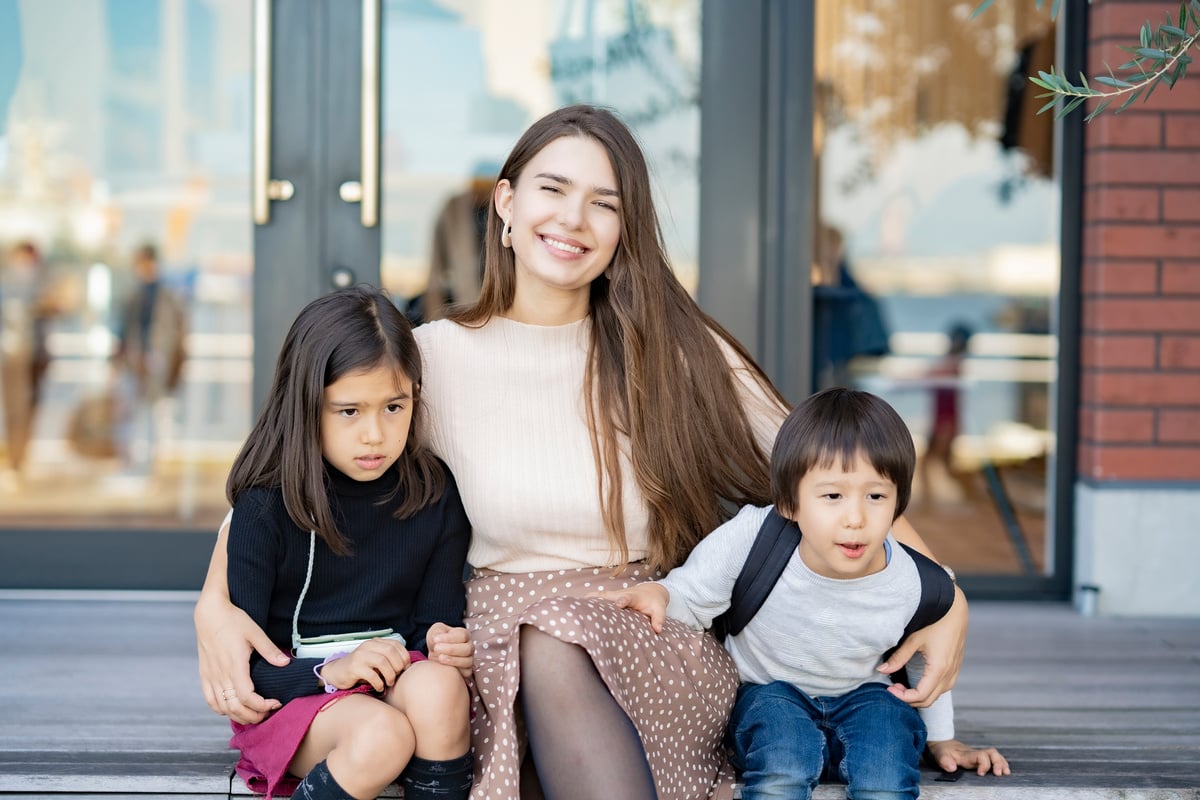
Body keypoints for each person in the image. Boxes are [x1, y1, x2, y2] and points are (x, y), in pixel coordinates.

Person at [195, 105, 970, 800]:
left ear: (626, 229)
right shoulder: (430, 361)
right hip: (488, 648)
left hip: (644, 637)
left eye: (605, 203)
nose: (575, 219)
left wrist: (946, 596)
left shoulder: (678, 352)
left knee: (553, 634)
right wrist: (212, 608)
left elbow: (836, 470)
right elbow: (293, 475)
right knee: (535, 641)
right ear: (506, 202)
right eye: (553, 190)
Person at [599, 387, 1009, 799]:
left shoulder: (914, 581)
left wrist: (942, 739)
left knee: (888, 757)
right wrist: (661, 595)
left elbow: (929, 663)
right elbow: (693, 594)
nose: (855, 518)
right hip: (772, 696)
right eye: (832, 496)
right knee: (784, 764)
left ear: (898, 504)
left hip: (866, 700)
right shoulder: (754, 537)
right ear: (790, 503)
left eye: (876, 496)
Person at [222, 286, 474, 800]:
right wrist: (332, 671)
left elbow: (430, 631)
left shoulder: (433, 493)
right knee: (383, 734)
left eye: (393, 407)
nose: (375, 435)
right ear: (306, 403)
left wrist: (445, 645)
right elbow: (249, 676)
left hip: (390, 682)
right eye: (349, 411)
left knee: (442, 686)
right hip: (294, 701)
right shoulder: (265, 505)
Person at [112, 242, 187, 474]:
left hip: (155, 359)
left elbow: (175, 331)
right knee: (130, 411)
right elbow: (123, 330)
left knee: (151, 411)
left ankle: (147, 464)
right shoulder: (134, 294)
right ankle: (130, 463)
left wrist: (166, 356)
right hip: (134, 360)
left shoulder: (165, 296)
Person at [0, 240, 58, 487]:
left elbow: (56, 307)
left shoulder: (41, 282)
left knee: (28, 406)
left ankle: (19, 459)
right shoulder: (11, 283)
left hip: (33, 354)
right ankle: (16, 461)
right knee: (17, 407)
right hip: (15, 352)